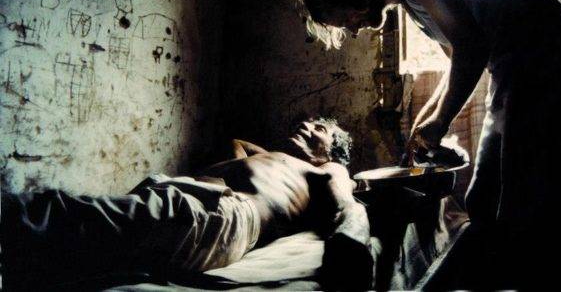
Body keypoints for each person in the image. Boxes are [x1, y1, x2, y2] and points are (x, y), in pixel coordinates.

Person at [299, 0, 561, 287]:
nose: (353, 29)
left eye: (344, 19)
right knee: (483, 200)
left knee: (515, 207)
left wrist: (440, 120)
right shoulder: (412, 2)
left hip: (546, 64)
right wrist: (426, 122)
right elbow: (458, 60)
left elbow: (471, 48)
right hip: (514, 72)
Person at [1, 117, 372, 290]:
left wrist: (352, 240)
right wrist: (262, 157)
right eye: (310, 122)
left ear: (332, 151)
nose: (307, 125)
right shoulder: (280, 160)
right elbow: (237, 143)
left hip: (221, 213)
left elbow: (347, 202)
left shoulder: (325, 169)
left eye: (320, 129)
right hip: (197, 203)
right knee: (75, 248)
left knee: (58, 215)